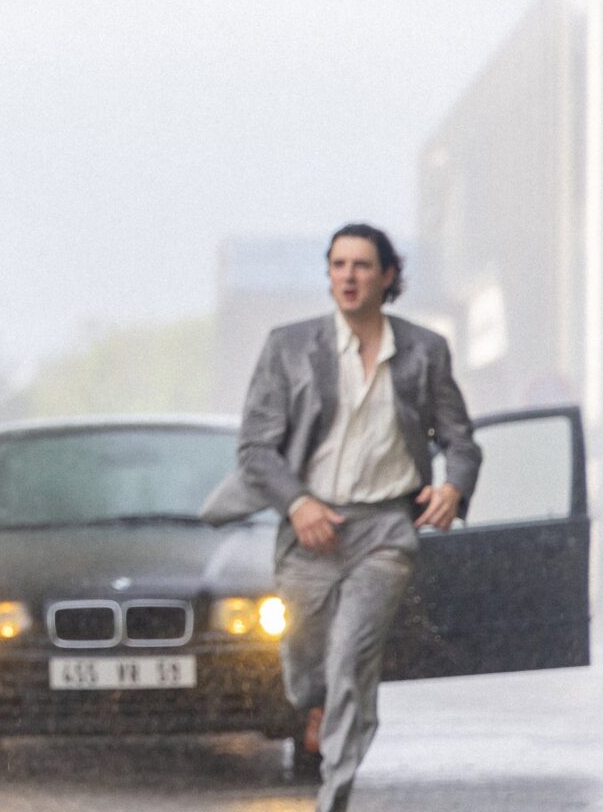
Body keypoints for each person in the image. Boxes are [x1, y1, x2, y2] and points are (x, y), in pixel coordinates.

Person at [200, 223, 481, 812]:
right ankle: (317, 706)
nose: (348, 276)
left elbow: (460, 440)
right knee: (305, 671)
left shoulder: (424, 351)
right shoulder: (289, 346)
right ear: (329, 275)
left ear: (387, 276)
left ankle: (335, 790)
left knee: (352, 657)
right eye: (338, 265)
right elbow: (255, 448)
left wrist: (454, 487)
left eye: (361, 265)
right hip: (311, 530)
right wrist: (299, 504)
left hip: (384, 530)